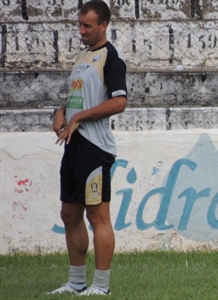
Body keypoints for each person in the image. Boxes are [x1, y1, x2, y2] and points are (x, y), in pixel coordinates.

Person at [48, 0, 127, 295]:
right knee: (69, 214)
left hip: (95, 147)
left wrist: (79, 117)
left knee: (97, 216)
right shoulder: (82, 56)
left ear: (103, 26)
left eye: (87, 26)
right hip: (73, 145)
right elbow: (76, 96)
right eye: (79, 24)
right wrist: (62, 113)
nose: (81, 30)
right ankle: (77, 283)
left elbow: (120, 101)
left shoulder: (111, 58)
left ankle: (102, 286)